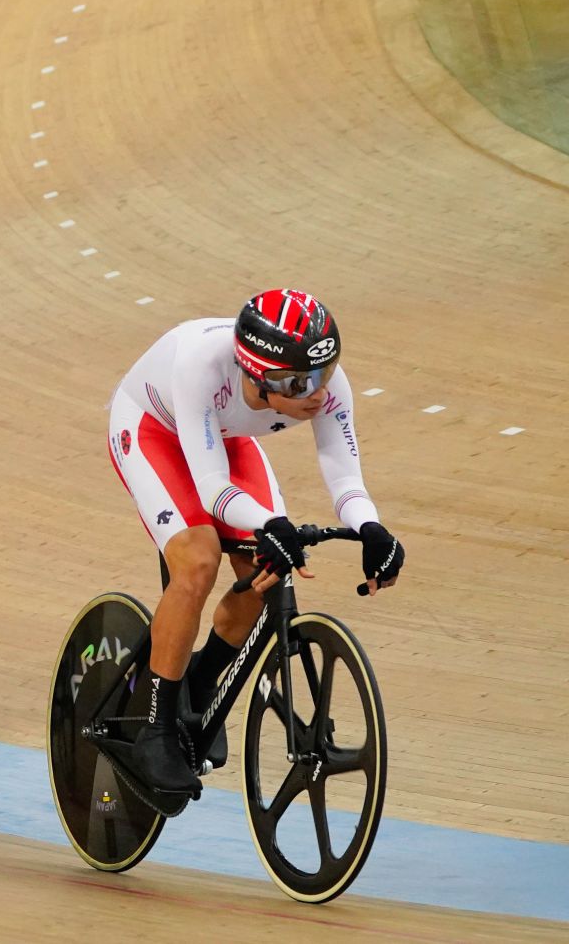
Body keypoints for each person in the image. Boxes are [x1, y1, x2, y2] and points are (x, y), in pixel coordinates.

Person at [106, 289, 407, 797]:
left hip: (223, 438)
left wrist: (371, 529)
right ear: (256, 376)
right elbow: (212, 490)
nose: (317, 392)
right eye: (298, 383)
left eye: (325, 373)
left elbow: (344, 477)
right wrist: (273, 523)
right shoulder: (201, 364)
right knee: (198, 562)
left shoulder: (323, 384)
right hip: (153, 427)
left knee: (267, 572)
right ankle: (154, 729)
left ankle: (199, 684)